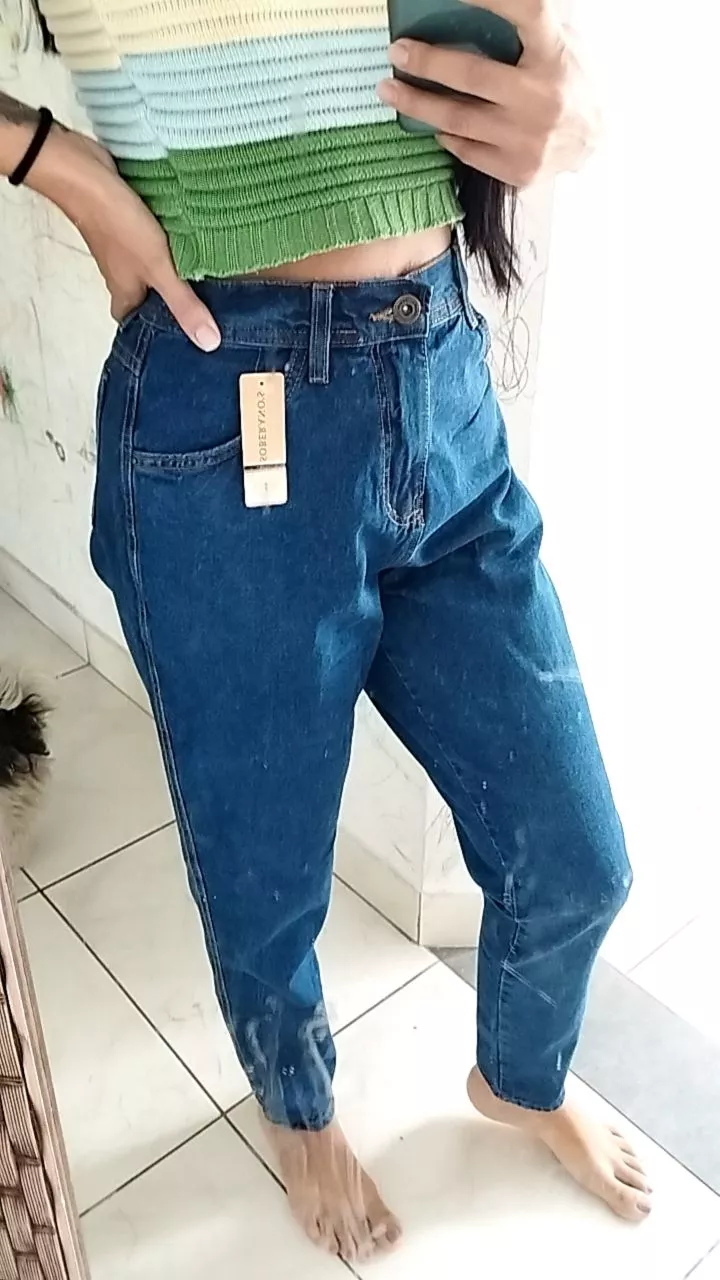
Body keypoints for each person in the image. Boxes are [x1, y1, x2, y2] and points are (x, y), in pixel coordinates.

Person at [0, 0, 651, 1261]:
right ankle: (298, 1108)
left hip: (442, 375)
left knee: (578, 854)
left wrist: (570, 103)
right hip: (219, 404)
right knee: (265, 868)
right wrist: (58, 164)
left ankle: (520, 1077)